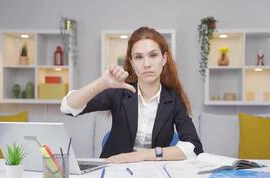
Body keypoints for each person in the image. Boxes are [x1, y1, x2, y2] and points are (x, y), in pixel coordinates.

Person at [61, 27, 203, 163]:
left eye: (153, 55)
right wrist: (102, 83)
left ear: (164, 58)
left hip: (154, 173)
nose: (146, 64)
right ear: (132, 62)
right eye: (139, 57)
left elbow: (194, 148)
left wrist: (142, 156)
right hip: (113, 169)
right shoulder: (120, 91)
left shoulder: (173, 98)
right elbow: (68, 107)